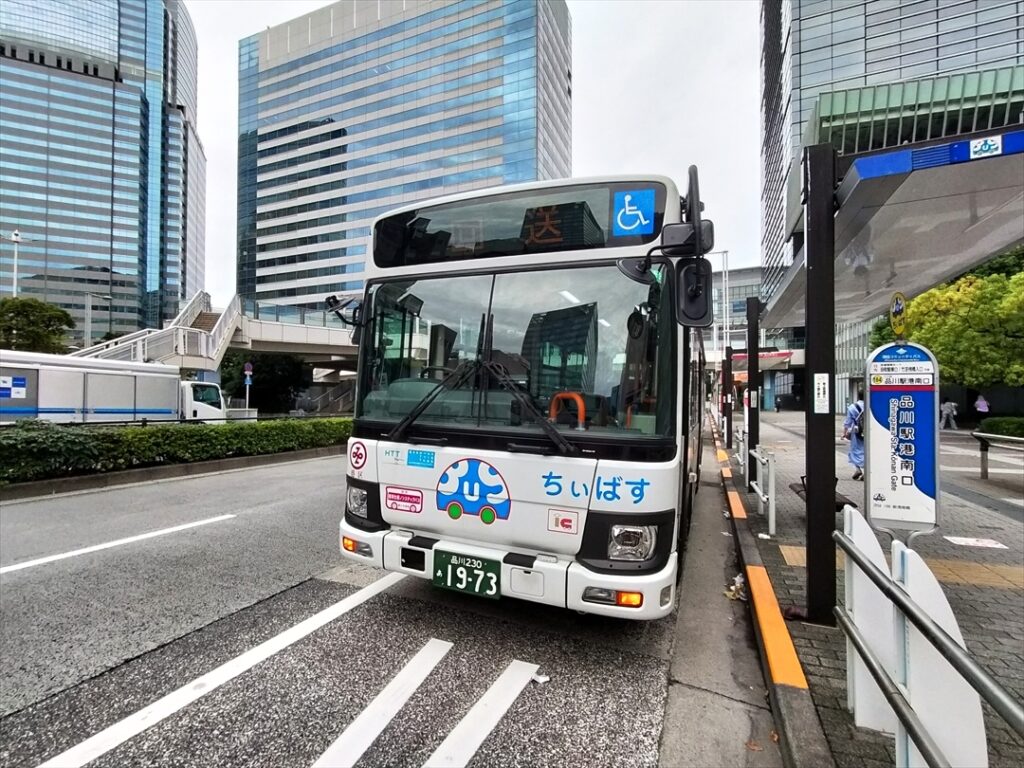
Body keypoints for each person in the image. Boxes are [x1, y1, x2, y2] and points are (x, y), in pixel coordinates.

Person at [842, 390, 865, 480]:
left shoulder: (853, 407)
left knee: (854, 450)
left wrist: (845, 433)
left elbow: (847, 422)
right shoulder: (871, 406)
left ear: (858, 396)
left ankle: (857, 469)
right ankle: (866, 471)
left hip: (857, 432)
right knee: (867, 451)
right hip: (869, 432)